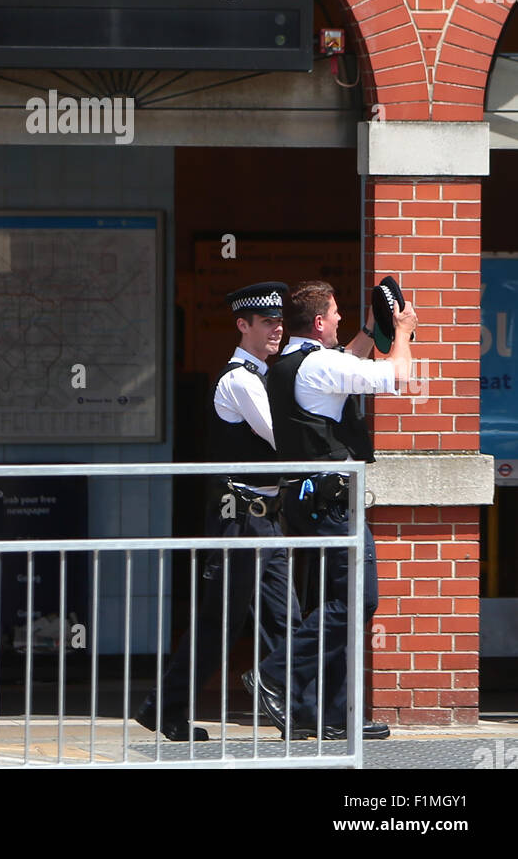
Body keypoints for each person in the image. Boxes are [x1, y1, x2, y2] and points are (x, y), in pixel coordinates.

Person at [245, 279, 416, 742]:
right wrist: (400, 331)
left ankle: (325, 713)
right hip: (332, 504)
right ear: (319, 323)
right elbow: (397, 378)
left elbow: (345, 365)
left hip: (307, 503)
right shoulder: (320, 364)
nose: (340, 319)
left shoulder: (292, 364)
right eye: (337, 314)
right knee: (359, 600)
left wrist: (366, 329)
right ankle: (274, 674)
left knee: (330, 604)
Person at [135, 282, 302, 742]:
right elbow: (281, 439)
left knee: (285, 618)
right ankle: (163, 708)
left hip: (268, 517)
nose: (276, 329)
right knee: (220, 623)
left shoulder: (267, 376)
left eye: (279, 321)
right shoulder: (241, 380)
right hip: (241, 518)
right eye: (266, 322)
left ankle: (296, 707)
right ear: (243, 325)